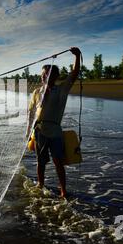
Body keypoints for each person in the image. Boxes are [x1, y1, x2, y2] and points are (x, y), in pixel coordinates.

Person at [26, 47, 81, 197]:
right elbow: (31, 113)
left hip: (55, 131)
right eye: (43, 74)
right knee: (41, 162)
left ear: (55, 76)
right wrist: (28, 132)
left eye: (49, 74)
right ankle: (40, 184)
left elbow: (74, 74)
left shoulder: (62, 89)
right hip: (39, 131)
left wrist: (77, 56)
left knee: (58, 161)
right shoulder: (37, 92)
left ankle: (63, 190)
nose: (45, 77)